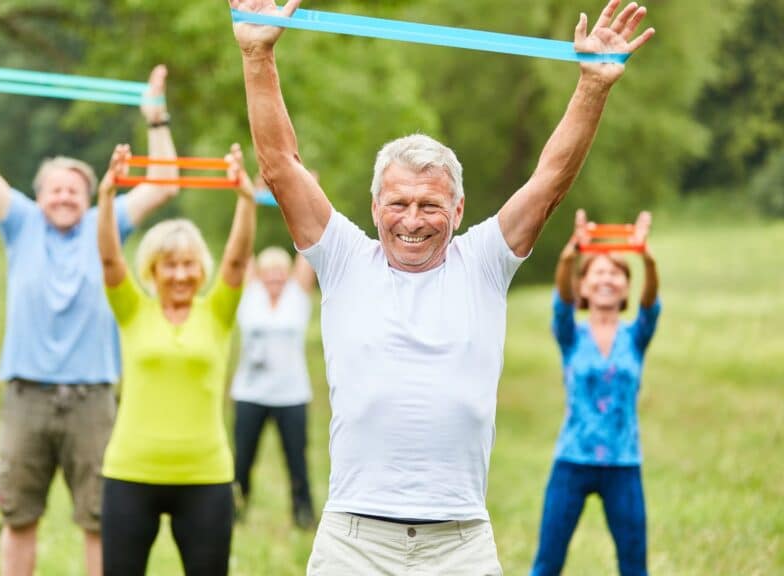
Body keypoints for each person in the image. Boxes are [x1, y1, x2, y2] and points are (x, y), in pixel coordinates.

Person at [228, 0, 655, 572]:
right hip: (353, 538)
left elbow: (550, 180)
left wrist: (593, 87)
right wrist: (257, 53)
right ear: (374, 206)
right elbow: (280, 166)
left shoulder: (482, 261)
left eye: (430, 204)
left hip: (460, 541)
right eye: (398, 203)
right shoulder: (344, 258)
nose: (412, 219)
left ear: (458, 209)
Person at [0, 50, 180, 576]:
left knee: (100, 521)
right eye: (54, 189)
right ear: (38, 196)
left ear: (90, 196)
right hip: (26, 395)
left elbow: (165, 182)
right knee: (18, 517)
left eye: (74, 190)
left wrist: (156, 117)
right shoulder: (21, 223)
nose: (63, 196)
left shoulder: (107, 224)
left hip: (93, 399)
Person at [97, 143, 256, 576]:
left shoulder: (218, 312)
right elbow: (110, 259)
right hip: (131, 472)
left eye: (188, 264)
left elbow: (238, 261)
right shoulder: (132, 310)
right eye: (170, 265)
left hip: (205, 476)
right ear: (152, 269)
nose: (181, 274)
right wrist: (107, 196)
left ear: (201, 269)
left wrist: (245, 198)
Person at [530, 210, 660, 576]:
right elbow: (560, 303)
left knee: (634, 566)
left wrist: (646, 259)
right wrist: (570, 256)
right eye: (598, 272)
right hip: (572, 459)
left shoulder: (636, 337)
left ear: (625, 287)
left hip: (623, 463)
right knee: (547, 562)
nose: (607, 279)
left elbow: (651, 305)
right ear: (583, 287)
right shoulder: (572, 336)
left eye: (616, 273)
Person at [231, 247, 317, 528]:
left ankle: (303, 517)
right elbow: (242, 251)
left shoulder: (297, 296)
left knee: (297, 461)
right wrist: (249, 204)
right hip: (249, 394)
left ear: (289, 274)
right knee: (242, 459)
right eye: (268, 272)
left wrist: (292, 202)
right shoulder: (250, 295)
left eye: (280, 271)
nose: (275, 277)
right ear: (259, 275)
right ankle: (234, 513)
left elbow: (307, 247)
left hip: (291, 396)